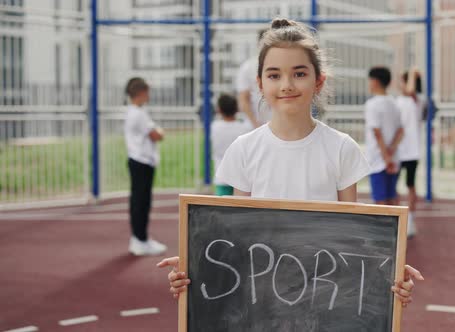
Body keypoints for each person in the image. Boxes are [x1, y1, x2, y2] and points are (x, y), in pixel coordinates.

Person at [158, 18, 423, 307]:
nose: (286, 85)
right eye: (274, 75)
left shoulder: (342, 149)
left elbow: (352, 241)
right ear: (259, 83)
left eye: (299, 73)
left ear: (318, 81)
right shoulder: (244, 151)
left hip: (326, 301)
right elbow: (236, 240)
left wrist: (388, 274)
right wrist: (195, 266)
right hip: (261, 304)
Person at [124, 77, 167, 256]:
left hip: (139, 161)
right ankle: (139, 240)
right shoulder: (138, 114)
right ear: (141, 93)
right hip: (141, 161)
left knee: (140, 201)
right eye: (147, 91)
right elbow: (156, 135)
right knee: (141, 202)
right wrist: (160, 131)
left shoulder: (135, 111)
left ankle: (140, 238)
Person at [365, 66, 404, 206]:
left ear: (375, 81)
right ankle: (397, 228)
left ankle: (382, 229)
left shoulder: (372, 104)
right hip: (393, 159)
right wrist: (391, 151)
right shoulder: (394, 103)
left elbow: (377, 133)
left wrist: (386, 158)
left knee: (380, 202)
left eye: (369, 80)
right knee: (392, 198)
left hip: (378, 160)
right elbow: (401, 131)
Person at [396, 68, 423, 237]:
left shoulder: (417, 100)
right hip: (398, 151)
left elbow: (410, 90)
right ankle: (398, 221)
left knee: (410, 186)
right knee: (393, 187)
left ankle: (410, 222)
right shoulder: (398, 100)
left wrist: (412, 72)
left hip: (411, 152)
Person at [211, 94, 252, 196]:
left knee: (221, 210)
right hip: (242, 179)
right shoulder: (246, 128)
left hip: (221, 177)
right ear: (237, 109)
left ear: (219, 110)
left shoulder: (214, 127)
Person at [235, 29, 270, 127]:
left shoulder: (284, 64)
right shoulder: (248, 67)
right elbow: (243, 98)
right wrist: (254, 123)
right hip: (254, 125)